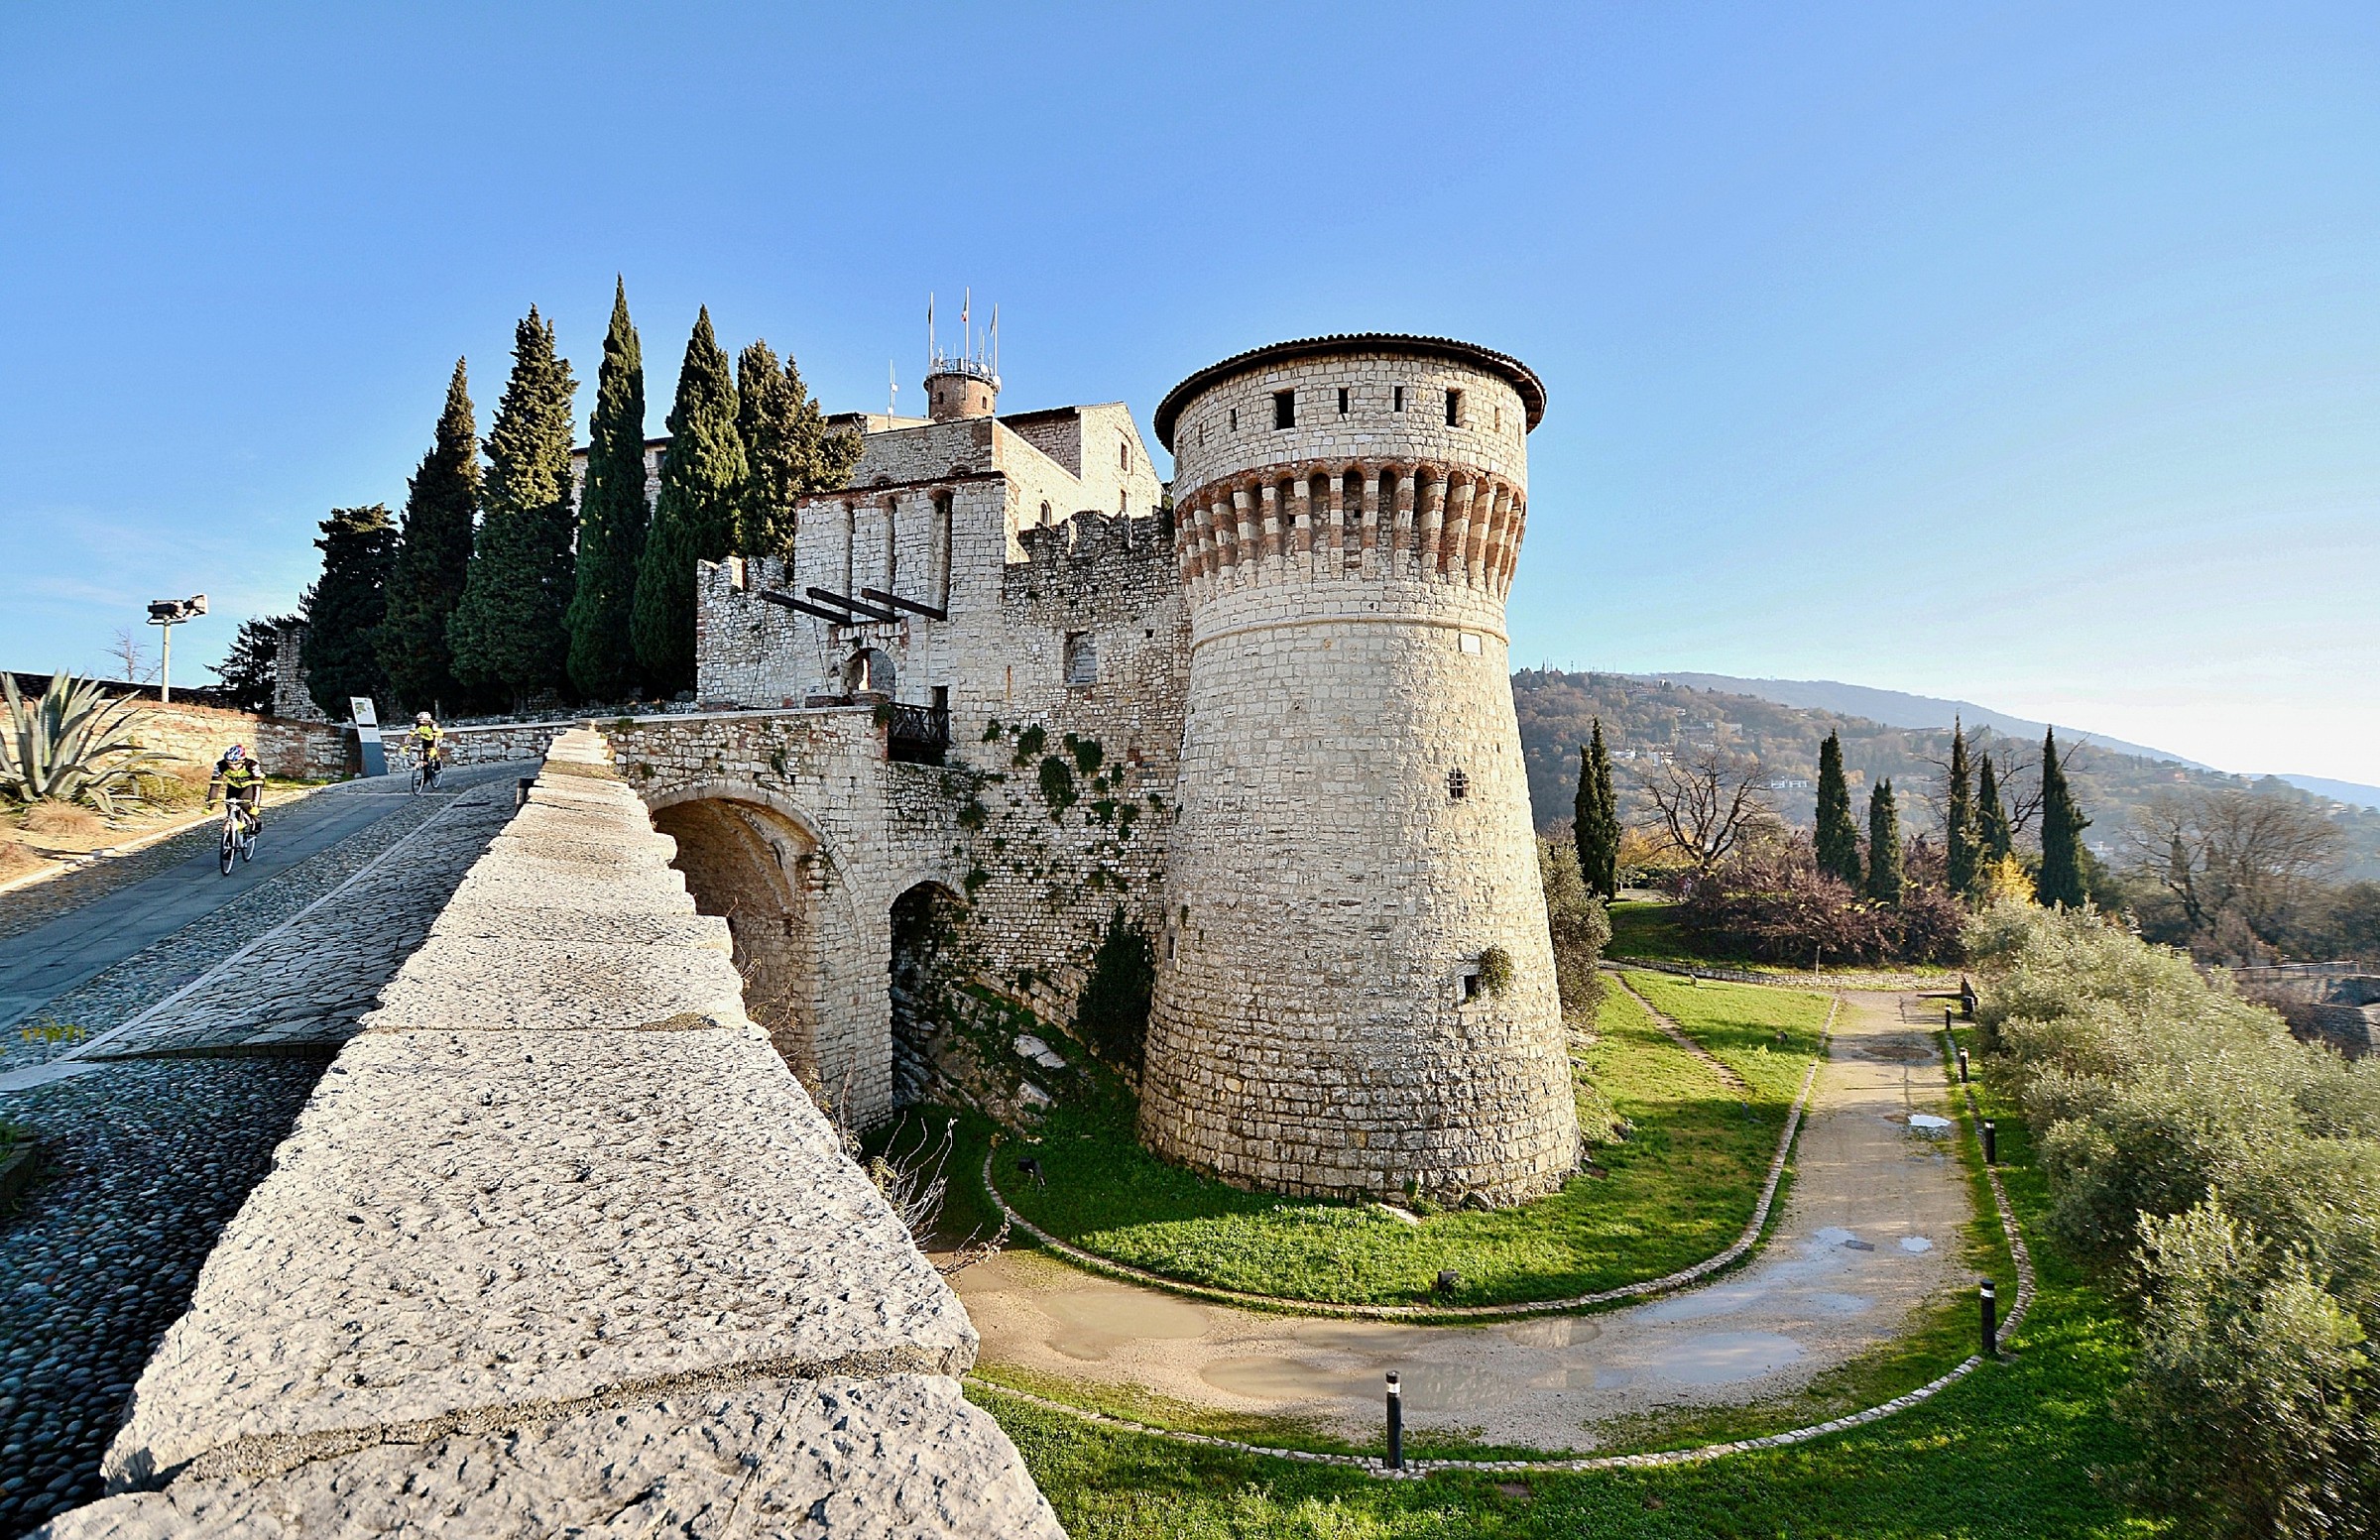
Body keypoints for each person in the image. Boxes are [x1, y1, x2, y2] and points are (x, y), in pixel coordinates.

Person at [207, 744, 265, 831]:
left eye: (236, 764)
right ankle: (234, 833)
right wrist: (210, 805)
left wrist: (255, 806)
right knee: (230, 806)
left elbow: (257, 786)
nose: (232, 767)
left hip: (249, 785)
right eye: (229, 764)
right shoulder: (221, 765)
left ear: (242, 760)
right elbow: (215, 785)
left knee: (245, 805)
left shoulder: (251, 765)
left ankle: (256, 821)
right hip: (233, 785)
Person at [408, 711, 444, 775]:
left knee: (433, 751)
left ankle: (437, 761)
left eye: (424, 721)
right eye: (420, 721)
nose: (421, 722)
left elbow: (436, 737)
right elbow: (410, 735)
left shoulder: (433, 725)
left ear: (428, 720)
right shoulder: (417, 724)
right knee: (425, 756)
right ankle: (426, 773)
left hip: (436, 737)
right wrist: (406, 745)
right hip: (426, 738)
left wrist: (434, 748)